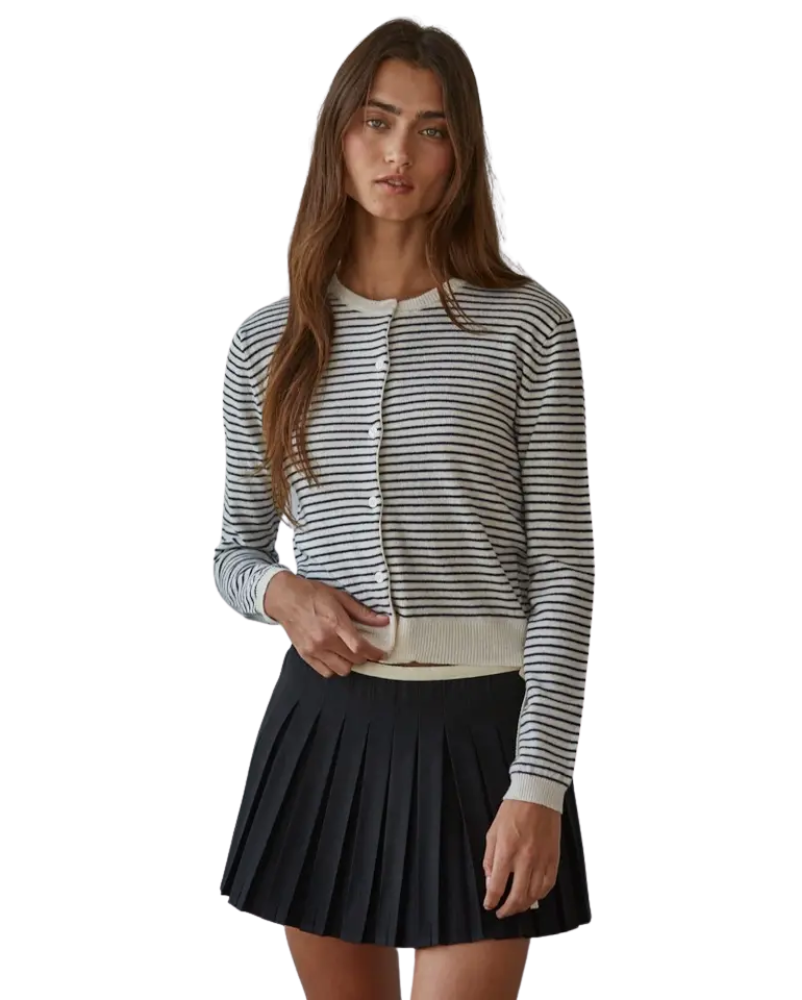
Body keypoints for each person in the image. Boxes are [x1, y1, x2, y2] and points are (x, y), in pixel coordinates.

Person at [215, 15, 594, 1000]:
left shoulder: (529, 328)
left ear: (461, 155)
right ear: (333, 137)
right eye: (377, 122)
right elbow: (233, 550)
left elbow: (565, 571)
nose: (399, 154)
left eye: (432, 130)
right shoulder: (265, 343)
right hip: (322, 728)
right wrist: (281, 593)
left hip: (484, 731)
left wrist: (539, 781)